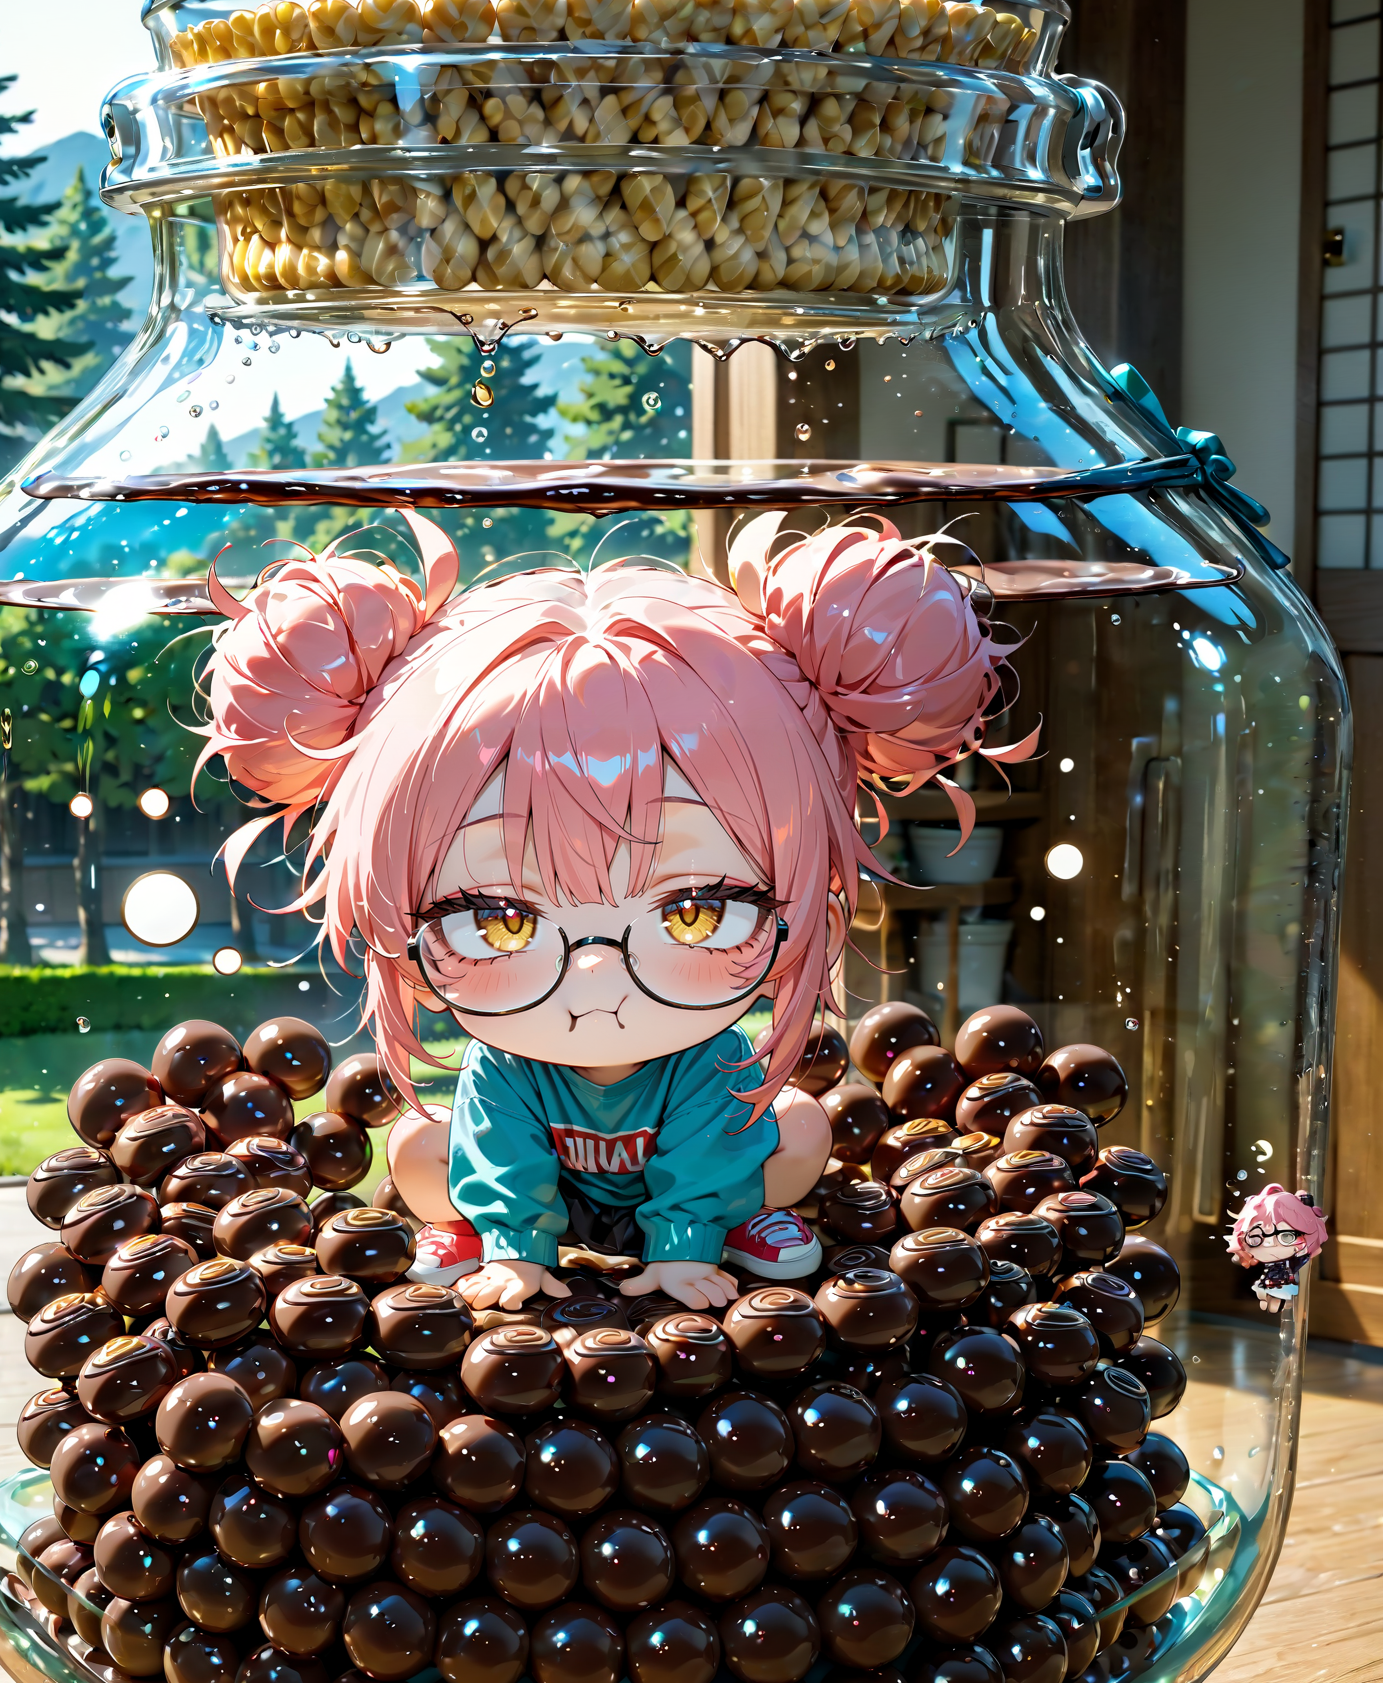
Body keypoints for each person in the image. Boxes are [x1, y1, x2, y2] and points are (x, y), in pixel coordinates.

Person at [201, 507, 1030, 1311]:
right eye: (501, 920)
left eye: (694, 912)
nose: (597, 978)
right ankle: (471, 1232)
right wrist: (517, 1251)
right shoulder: (506, 1063)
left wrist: (684, 1247)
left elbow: (710, 1142)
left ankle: (737, 1219)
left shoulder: (710, 1056)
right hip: (553, 1205)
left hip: (694, 1197)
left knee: (799, 1129)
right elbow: (499, 1150)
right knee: (422, 1148)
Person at [1228, 1184, 1329, 1313]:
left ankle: (1275, 1300)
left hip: (1284, 1283)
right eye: (1255, 1238)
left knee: (1279, 1293)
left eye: (1286, 1236)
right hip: (1270, 1281)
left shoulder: (1296, 1259)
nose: (1269, 1243)